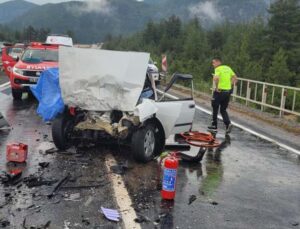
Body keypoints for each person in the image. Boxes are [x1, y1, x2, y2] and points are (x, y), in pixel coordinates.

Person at [208, 57, 237, 134]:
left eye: (213, 62)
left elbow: (216, 78)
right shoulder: (228, 68)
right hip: (227, 91)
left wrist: (217, 87)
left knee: (215, 107)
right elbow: (235, 78)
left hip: (220, 91)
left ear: (218, 62)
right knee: (223, 109)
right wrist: (230, 85)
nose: (213, 64)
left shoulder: (218, 69)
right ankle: (228, 124)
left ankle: (214, 126)